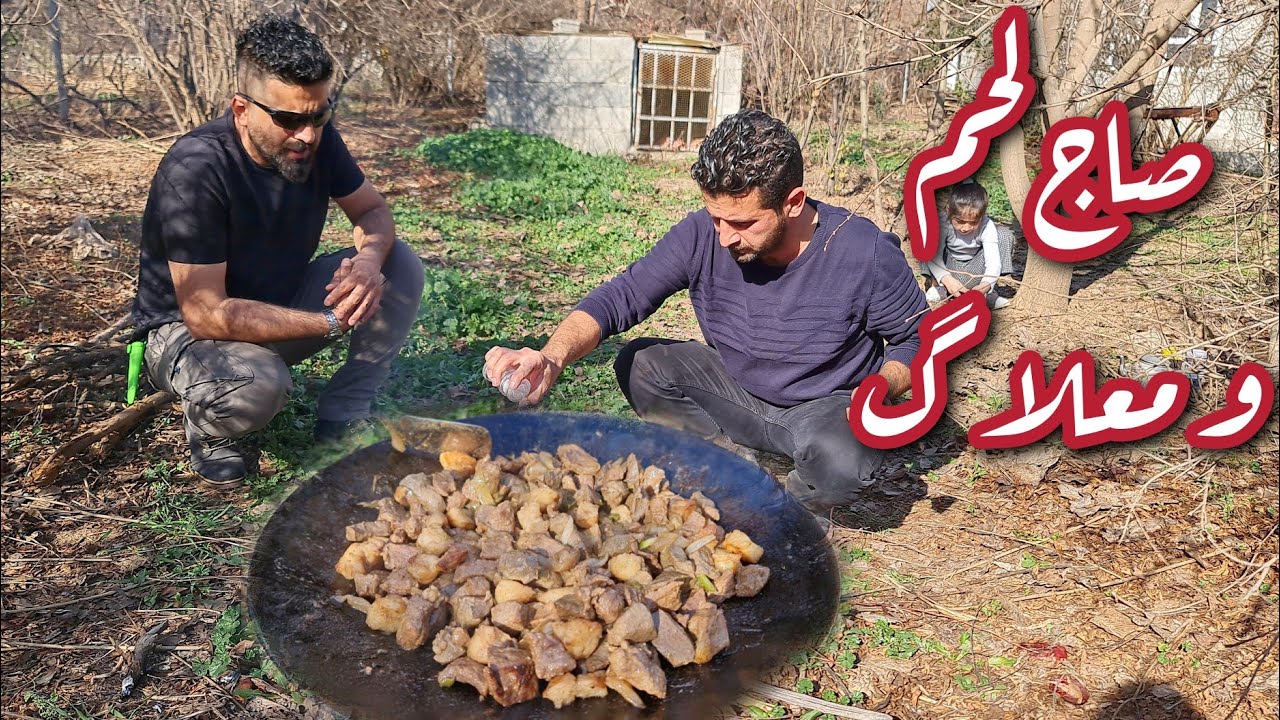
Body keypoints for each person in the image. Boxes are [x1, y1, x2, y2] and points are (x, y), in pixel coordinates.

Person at [483, 110, 926, 516]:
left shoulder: (861, 251)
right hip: (737, 392)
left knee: (843, 467)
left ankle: (782, 510)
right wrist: (552, 355)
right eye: (716, 218)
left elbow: (918, 341)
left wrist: (875, 392)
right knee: (641, 362)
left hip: (825, 408)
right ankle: (727, 463)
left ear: (792, 203)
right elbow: (622, 296)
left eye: (743, 224)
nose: (724, 238)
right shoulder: (703, 235)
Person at [130, 15, 424, 486]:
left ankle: (344, 412)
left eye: (319, 115)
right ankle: (210, 430)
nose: (306, 134)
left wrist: (367, 264)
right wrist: (330, 321)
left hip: (274, 302)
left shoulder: (314, 141)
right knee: (256, 387)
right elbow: (205, 314)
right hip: (188, 333)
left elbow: (372, 213)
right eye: (288, 120)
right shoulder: (195, 169)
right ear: (242, 110)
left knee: (398, 263)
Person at [920, 181, 1014, 309]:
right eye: (960, 221)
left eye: (973, 223)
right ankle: (938, 288)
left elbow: (993, 263)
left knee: (1003, 234)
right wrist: (946, 279)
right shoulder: (942, 222)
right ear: (949, 211)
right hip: (948, 269)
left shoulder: (987, 226)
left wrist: (986, 285)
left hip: (976, 272)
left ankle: (989, 294)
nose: (966, 228)